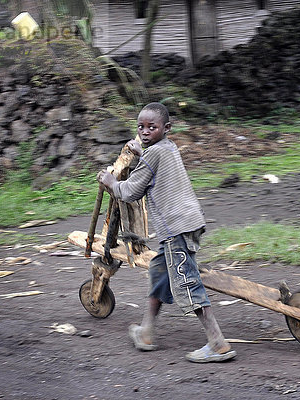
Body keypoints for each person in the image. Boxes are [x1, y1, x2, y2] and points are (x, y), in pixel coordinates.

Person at [97, 102, 236, 362]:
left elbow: (130, 192)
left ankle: (217, 343)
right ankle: (146, 332)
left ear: (166, 128)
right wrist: (141, 152)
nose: (146, 131)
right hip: (190, 222)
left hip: (175, 229)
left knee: (186, 281)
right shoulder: (168, 148)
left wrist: (111, 182)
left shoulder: (152, 155)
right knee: (161, 273)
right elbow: (152, 161)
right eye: (141, 127)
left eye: (152, 127)